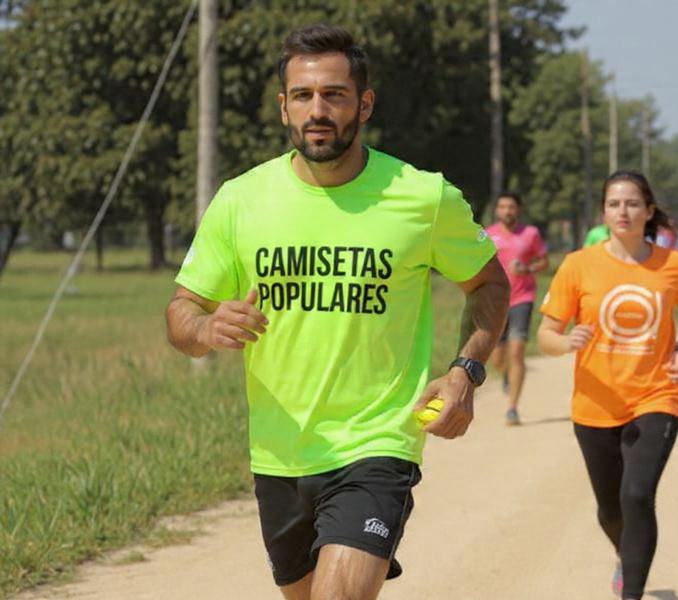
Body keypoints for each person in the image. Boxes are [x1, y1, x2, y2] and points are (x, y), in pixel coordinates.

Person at [164, 24, 509, 600]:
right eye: (303, 96)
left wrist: (463, 372)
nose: (317, 110)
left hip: (378, 444)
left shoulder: (423, 197)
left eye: (334, 94)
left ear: (365, 103)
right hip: (278, 451)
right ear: (283, 108)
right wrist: (205, 326)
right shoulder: (240, 200)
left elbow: (489, 284)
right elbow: (181, 311)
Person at [538, 171, 678, 600]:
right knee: (611, 509)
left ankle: (632, 591)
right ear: (604, 212)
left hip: (656, 395)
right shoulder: (578, 264)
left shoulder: (675, 266)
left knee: (637, 493)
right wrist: (563, 342)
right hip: (595, 403)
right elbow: (546, 333)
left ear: (648, 212)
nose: (623, 212)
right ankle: (626, 555)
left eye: (632, 204)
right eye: (614, 204)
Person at [485, 192, 549, 425]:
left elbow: (544, 261)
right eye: (502, 207)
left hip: (522, 297)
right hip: (494, 301)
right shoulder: (487, 235)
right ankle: (505, 374)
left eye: (511, 207)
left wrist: (527, 269)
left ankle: (512, 408)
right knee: (497, 358)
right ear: (497, 211)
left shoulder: (530, 234)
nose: (507, 211)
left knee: (516, 352)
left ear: (518, 210)